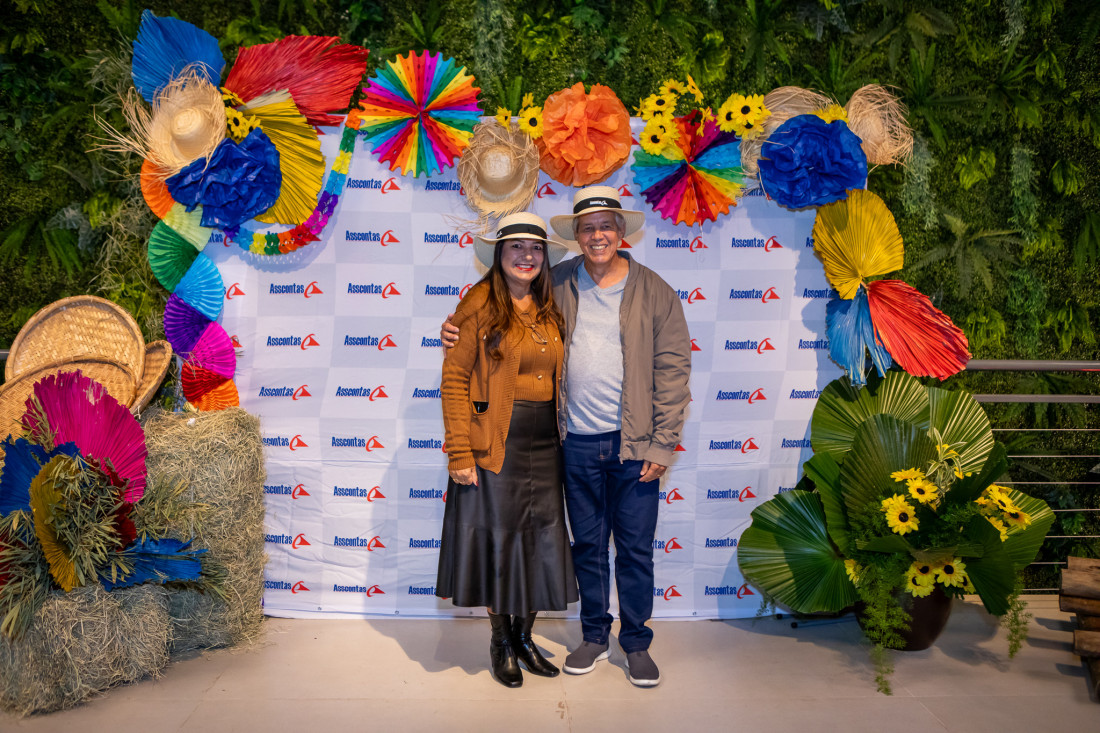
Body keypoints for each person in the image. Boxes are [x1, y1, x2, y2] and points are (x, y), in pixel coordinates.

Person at [442, 186, 692, 687]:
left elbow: (673, 370)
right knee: (583, 548)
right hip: (568, 442)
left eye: (606, 226)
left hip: (626, 444)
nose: (597, 236)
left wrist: (663, 443)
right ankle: (585, 637)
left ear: (621, 233)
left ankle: (635, 643)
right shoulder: (552, 284)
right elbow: (465, 353)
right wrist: (454, 329)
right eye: (587, 228)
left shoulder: (651, 291)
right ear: (576, 236)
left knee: (629, 550)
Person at [436, 211, 579, 689]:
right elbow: (455, 380)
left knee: (541, 542)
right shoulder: (477, 304)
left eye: (535, 248)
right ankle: (500, 640)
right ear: (498, 254)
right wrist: (460, 452)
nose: (526, 256)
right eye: (516, 246)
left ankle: (524, 637)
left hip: (546, 442)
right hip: (496, 443)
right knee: (499, 544)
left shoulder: (550, 305)